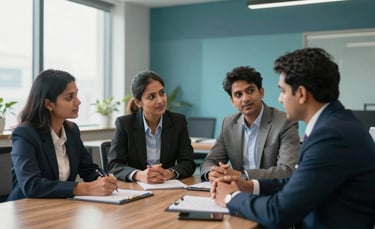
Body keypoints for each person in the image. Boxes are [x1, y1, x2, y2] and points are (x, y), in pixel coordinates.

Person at [211, 48, 375, 228]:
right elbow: (301, 182)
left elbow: (278, 213)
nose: (280, 99)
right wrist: (250, 186)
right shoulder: (336, 124)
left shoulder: (331, 136)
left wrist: (231, 197)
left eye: (283, 91)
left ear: (301, 94)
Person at [8, 69, 118, 201]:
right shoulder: (25, 134)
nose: (78, 102)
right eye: (69, 97)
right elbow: (32, 185)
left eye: (76, 95)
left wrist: (103, 179)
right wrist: (85, 188)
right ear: (49, 104)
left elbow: (88, 169)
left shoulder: (72, 131)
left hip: (61, 206)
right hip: (26, 210)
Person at [200, 66, 300, 182]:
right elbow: (210, 161)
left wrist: (241, 175)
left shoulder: (284, 122)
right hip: (237, 191)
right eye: (238, 95)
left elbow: (287, 170)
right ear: (232, 101)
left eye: (250, 91)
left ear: (261, 92)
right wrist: (211, 173)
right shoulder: (228, 124)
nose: (245, 98)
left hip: (270, 191)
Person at [107, 70, 195, 183]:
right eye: (151, 97)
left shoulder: (178, 122)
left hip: (167, 186)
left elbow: (188, 162)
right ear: (138, 102)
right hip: (136, 189)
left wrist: (169, 173)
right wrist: (138, 175)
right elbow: (114, 165)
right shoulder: (125, 124)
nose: (160, 100)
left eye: (162, 93)